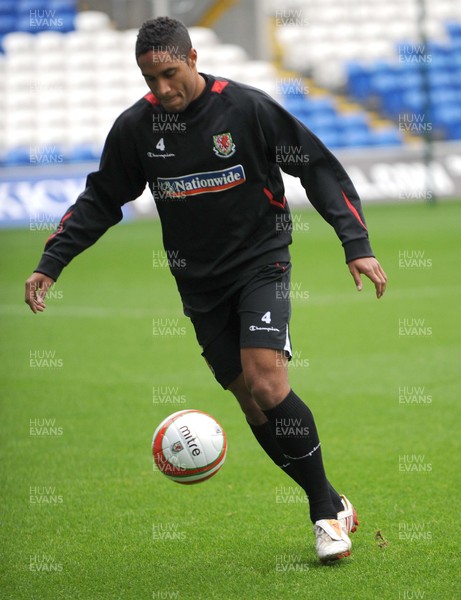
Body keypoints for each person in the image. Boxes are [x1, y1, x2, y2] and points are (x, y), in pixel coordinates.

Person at [25, 16, 387, 563]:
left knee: (267, 381)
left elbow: (313, 166)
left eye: (170, 73)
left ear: (192, 58)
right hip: (197, 281)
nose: (162, 89)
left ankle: (323, 513)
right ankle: (331, 497)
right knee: (250, 401)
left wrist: (354, 240)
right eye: (150, 79)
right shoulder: (136, 129)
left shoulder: (245, 108)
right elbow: (102, 198)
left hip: (261, 261)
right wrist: (53, 261)